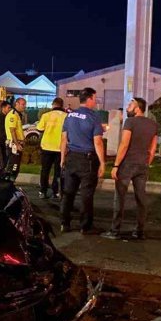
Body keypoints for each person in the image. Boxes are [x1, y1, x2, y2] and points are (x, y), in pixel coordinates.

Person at [102, 97, 158, 240]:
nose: (127, 107)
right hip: (142, 165)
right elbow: (152, 149)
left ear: (137, 108)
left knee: (119, 198)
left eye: (130, 105)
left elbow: (124, 144)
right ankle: (139, 231)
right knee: (141, 198)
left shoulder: (130, 122)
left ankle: (115, 231)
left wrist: (116, 165)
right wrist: (146, 163)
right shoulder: (153, 124)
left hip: (127, 165)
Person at [60, 88, 105, 234]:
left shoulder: (70, 115)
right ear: (90, 99)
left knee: (68, 192)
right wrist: (103, 163)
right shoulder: (94, 117)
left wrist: (62, 158)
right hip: (87, 160)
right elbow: (97, 142)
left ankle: (64, 223)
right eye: (95, 98)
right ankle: (85, 226)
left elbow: (63, 139)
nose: (95, 101)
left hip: (71, 157)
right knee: (86, 194)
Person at [37, 98, 67, 199]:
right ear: (62, 105)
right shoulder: (66, 116)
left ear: (53, 105)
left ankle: (43, 191)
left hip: (46, 147)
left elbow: (40, 129)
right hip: (60, 148)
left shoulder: (46, 115)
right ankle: (56, 192)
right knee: (58, 172)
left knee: (45, 170)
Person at [4, 97, 27, 181]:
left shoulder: (17, 114)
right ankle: (7, 184)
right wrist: (17, 144)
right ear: (16, 104)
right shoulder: (13, 115)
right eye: (23, 104)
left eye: (25, 104)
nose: (24, 106)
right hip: (14, 145)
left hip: (17, 144)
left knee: (15, 166)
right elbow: (12, 130)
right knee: (13, 167)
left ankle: (9, 184)